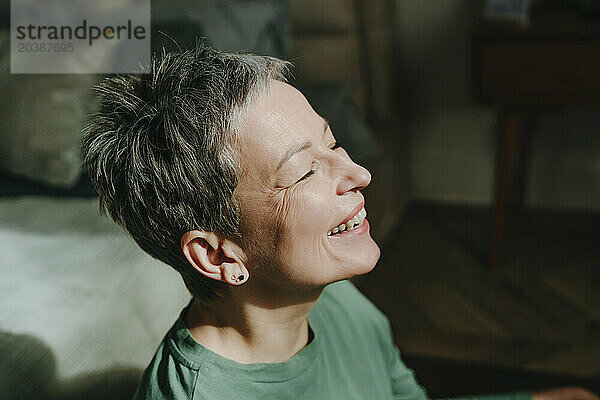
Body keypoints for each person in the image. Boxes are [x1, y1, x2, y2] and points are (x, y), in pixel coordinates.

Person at [81, 44, 599, 400]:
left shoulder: (334, 299)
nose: (360, 174)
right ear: (218, 256)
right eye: (305, 170)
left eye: (332, 142)